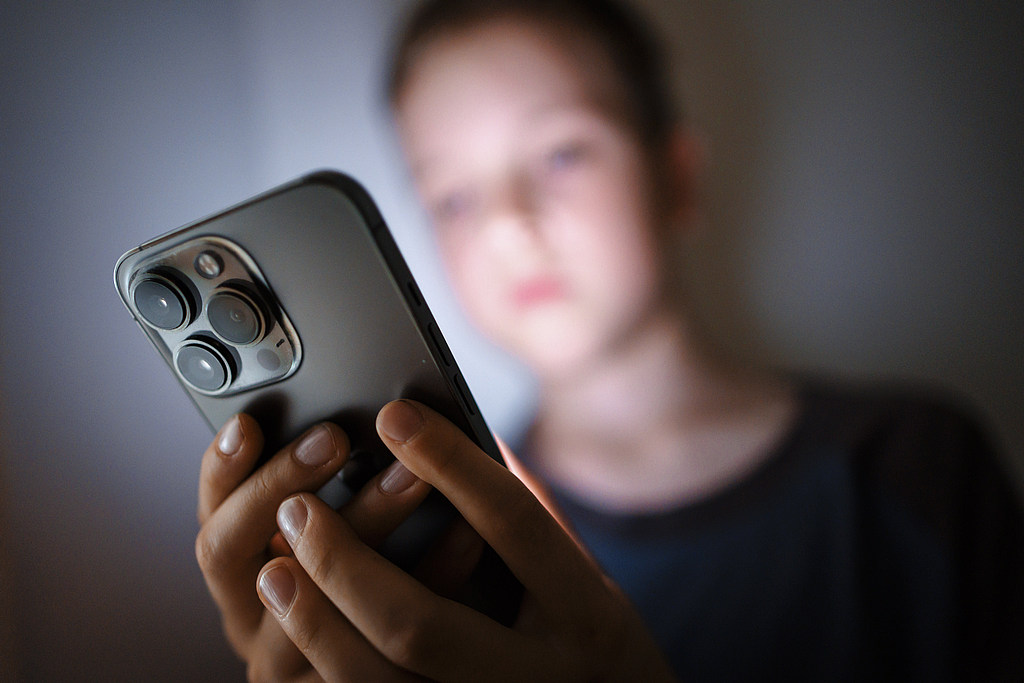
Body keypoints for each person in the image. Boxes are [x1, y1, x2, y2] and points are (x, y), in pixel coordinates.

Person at [193, 0, 1024, 680]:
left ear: (678, 177)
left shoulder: (916, 467)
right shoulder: (439, 547)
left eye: (562, 154)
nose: (510, 223)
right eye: (454, 198)